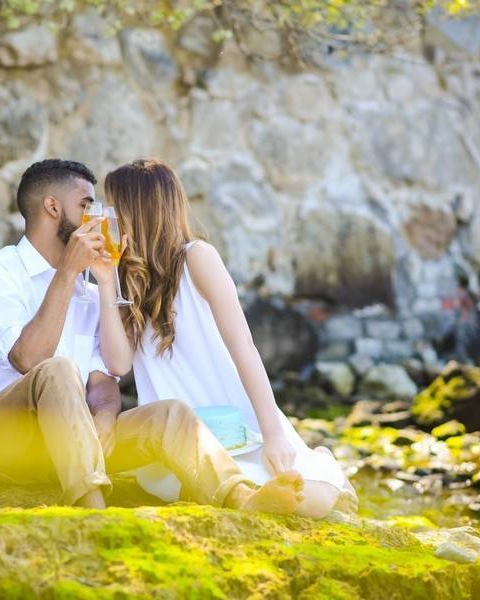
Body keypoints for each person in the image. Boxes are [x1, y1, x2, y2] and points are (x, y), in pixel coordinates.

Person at [0, 158, 305, 512]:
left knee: (172, 414)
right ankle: (93, 508)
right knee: (58, 369)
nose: (99, 217)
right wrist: (68, 270)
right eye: (86, 205)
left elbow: (104, 379)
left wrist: (105, 416)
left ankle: (242, 497)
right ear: (52, 207)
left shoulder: (88, 292)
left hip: (71, 445)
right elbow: (29, 360)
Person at [105, 158, 358, 518]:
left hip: (235, 425)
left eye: (115, 208)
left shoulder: (197, 258)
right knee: (173, 487)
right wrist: (103, 281)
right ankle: (325, 477)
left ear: (139, 210)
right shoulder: (125, 277)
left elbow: (244, 347)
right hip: (176, 437)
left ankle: (326, 470)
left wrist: (272, 434)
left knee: (299, 498)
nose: (108, 219)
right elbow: (118, 363)